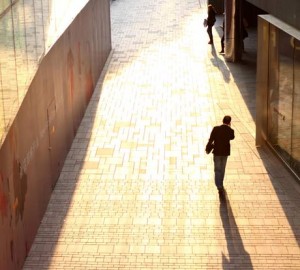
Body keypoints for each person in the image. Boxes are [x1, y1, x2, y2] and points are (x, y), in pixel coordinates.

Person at [205, 116, 235, 194]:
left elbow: (211, 139)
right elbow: (232, 137)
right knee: (222, 168)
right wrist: (229, 127)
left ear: (222, 120)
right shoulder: (230, 130)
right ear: (229, 122)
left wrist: (208, 147)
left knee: (217, 169)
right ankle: (220, 184)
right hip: (225, 153)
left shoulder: (216, 129)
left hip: (217, 152)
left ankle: (219, 185)